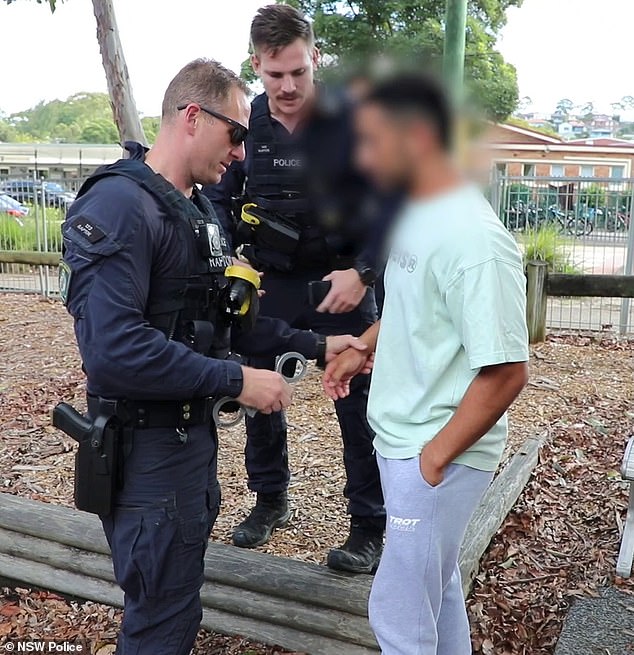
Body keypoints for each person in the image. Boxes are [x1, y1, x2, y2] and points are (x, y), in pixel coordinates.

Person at [58, 58, 367, 655]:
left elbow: (230, 323)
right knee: (160, 623)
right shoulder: (121, 206)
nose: (243, 154)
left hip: (185, 454)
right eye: (237, 134)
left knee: (176, 608)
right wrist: (236, 381)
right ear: (193, 117)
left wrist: (317, 344)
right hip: (146, 459)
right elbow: (114, 352)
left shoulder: (197, 213)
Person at [323, 74, 529, 654]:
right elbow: (421, 310)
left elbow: (507, 371)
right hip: (408, 443)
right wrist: (366, 343)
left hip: (436, 448)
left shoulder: (474, 241)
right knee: (435, 596)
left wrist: (433, 462)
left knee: (398, 614)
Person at [204, 4, 386, 573]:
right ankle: (270, 499)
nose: (286, 87)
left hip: (344, 284)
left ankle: (369, 524)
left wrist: (365, 272)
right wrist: (224, 250)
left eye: (298, 73)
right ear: (256, 64)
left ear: (315, 59)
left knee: (360, 408)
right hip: (271, 280)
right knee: (260, 395)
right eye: (274, 74)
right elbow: (213, 190)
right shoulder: (245, 123)